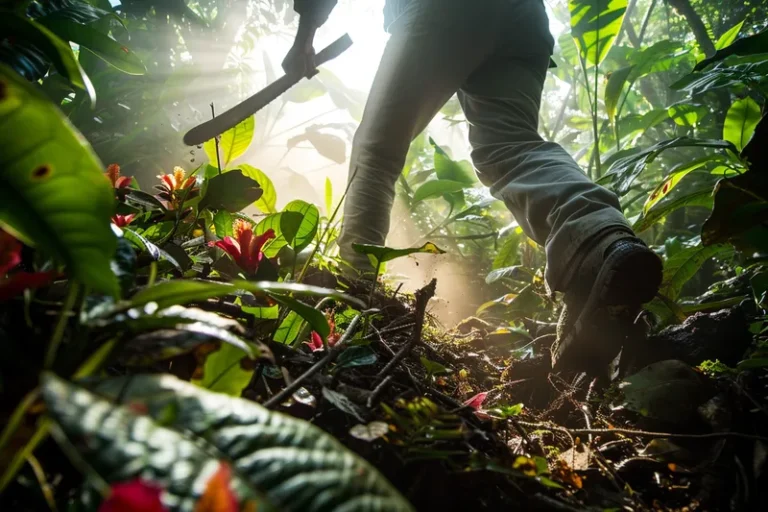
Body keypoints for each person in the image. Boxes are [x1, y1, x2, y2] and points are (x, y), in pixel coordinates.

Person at [282, 0, 663, 371]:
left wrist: (305, 36)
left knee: (377, 151)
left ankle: (351, 293)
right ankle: (599, 236)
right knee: (508, 147)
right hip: (523, 17)